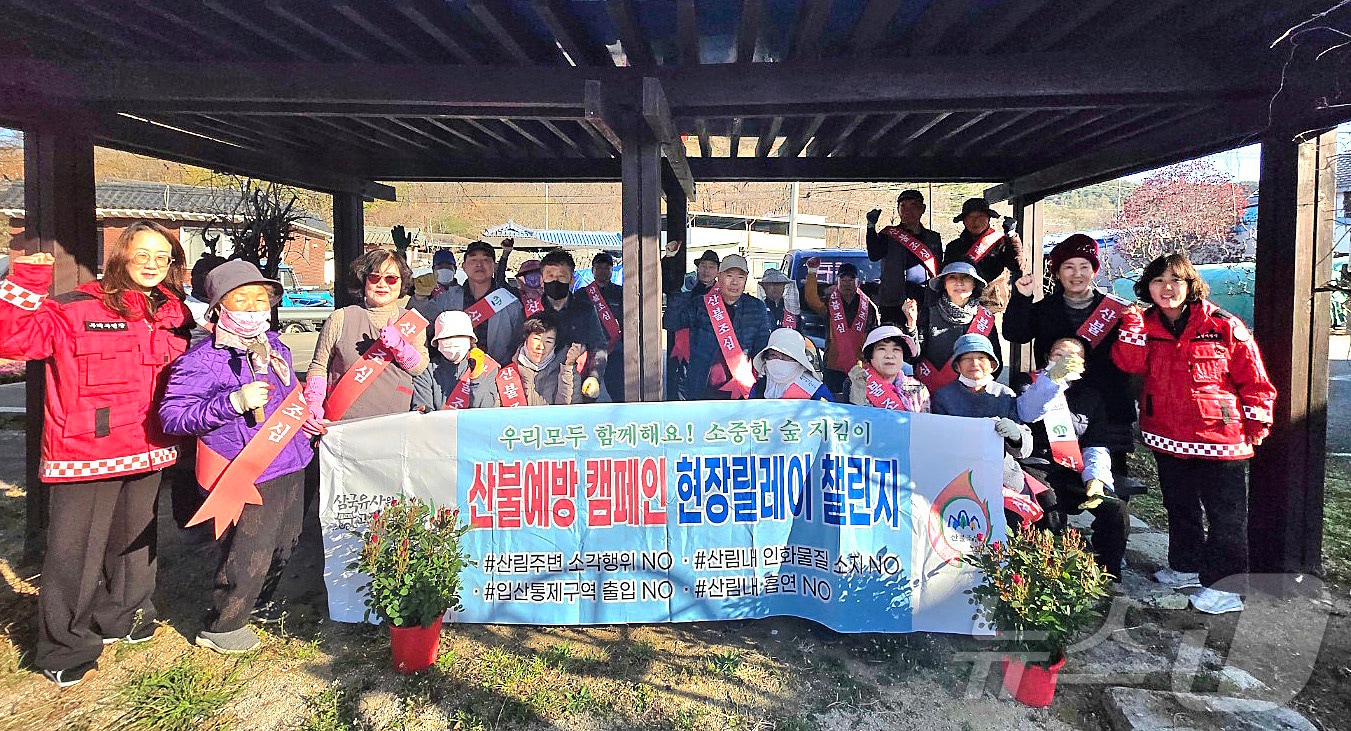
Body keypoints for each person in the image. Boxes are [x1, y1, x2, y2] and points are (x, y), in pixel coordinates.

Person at [0, 222, 192, 687]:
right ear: (121, 254)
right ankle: (65, 645)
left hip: (151, 447)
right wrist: (25, 278)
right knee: (76, 551)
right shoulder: (75, 306)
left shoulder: (173, 312)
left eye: (162, 256)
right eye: (142, 253)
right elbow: (12, 339)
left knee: (136, 543)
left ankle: (125, 614)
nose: (152, 263)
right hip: (87, 449)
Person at [158, 261, 313, 654]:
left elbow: (288, 394)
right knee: (248, 548)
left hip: (290, 459)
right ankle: (223, 625)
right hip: (244, 466)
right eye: (240, 299)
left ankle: (260, 601)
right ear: (218, 307)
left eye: (260, 299)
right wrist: (231, 403)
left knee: (285, 540)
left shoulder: (274, 347)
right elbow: (173, 416)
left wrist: (307, 422)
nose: (252, 307)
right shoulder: (200, 360)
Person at [1114, 253, 1276, 615]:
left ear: (1190, 285)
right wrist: (1131, 326)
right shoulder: (1146, 324)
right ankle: (1185, 565)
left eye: (1175, 280)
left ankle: (1227, 587)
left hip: (1221, 438)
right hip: (1167, 436)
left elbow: (1254, 380)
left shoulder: (1223, 325)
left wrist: (1258, 424)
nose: (1166, 288)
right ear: (1147, 287)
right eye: (1158, 281)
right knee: (1179, 505)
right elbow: (1129, 364)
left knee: (1225, 515)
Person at [1005, 233, 1142, 496]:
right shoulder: (1046, 309)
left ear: (1094, 270)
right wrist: (1021, 297)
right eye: (1068, 267)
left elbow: (1132, 359)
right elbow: (1016, 333)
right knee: (1055, 485)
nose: (1076, 274)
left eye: (1084, 267)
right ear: (1057, 272)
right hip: (1057, 405)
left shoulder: (1117, 311)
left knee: (1110, 489)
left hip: (1108, 410)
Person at [1014, 337, 1129, 579]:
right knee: (1049, 507)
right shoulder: (1030, 382)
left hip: (1072, 468)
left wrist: (1096, 479)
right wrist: (1053, 378)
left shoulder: (1091, 395)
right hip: (1036, 465)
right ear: (1048, 358)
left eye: (1072, 356)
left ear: (1083, 364)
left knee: (1114, 509)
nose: (1065, 360)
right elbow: (1028, 411)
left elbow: (1096, 443)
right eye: (1059, 355)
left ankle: (1105, 574)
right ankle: (1047, 573)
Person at [931, 334, 1074, 528]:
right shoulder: (942, 397)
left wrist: (1015, 435)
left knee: (1046, 512)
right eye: (967, 358)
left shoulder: (1005, 394)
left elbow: (1024, 448)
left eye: (981, 358)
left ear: (992, 364)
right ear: (957, 366)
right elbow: (938, 442)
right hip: (959, 475)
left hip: (1003, 474)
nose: (975, 363)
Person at [305, 249, 430, 433]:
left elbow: (419, 367)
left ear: (402, 282)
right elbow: (319, 366)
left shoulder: (411, 321)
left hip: (395, 426)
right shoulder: (340, 318)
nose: (382, 284)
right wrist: (313, 403)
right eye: (374, 277)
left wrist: (400, 347)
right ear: (364, 280)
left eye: (391, 278)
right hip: (343, 425)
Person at [668, 254, 771, 400]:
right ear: (719, 277)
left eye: (740, 277)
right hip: (702, 387)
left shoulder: (756, 307)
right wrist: (681, 292)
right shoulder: (700, 304)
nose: (734, 282)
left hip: (741, 388)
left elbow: (762, 347)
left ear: (746, 279)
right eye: (729, 276)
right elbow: (671, 323)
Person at [427, 240, 523, 366]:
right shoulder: (446, 300)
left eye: (485, 260)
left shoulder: (510, 303)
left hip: (496, 375)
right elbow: (425, 330)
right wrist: (419, 297)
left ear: (494, 266)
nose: (479, 264)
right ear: (464, 266)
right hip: (453, 376)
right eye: (473, 260)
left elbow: (519, 343)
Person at [907, 261, 999, 393]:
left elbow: (995, 361)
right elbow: (916, 355)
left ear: (974, 284)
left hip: (973, 392)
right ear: (943, 284)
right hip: (932, 391)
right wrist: (911, 326)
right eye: (952, 278)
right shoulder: (928, 312)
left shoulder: (984, 318)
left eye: (965, 278)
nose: (959, 283)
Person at [537, 248, 607, 401]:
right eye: (550, 276)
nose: (555, 281)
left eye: (562, 277)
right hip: (538, 387)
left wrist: (594, 377)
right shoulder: (530, 309)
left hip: (577, 386)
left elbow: (598, 346)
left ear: (571, 280)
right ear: (542, 279)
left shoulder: (585, 310)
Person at [804, 260, 880, 396]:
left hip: (860, 366)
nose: (847, 283)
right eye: (843, 279)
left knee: (859, 402)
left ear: (858, 282)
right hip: (833, 365)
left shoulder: (869, 306)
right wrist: (812, 272)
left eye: (851, 279)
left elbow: (876, 336)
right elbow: (812, 300)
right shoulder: (829, 303)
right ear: (837, 282)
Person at [867, 189, 944, 321]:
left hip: (925, 301)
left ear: (923, 209)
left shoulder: (933, 238)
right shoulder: (889, 235)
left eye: (913, 206)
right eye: (903, 206)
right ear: (898, 210)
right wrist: (871, 227)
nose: (908, 211)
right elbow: (874, 255)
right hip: (893, 301)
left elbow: (939, 267)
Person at [412, 310, 501, 410]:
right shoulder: (426, 371)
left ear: (471, 340)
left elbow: (485, 409)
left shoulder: (486, 366)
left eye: (459, 336)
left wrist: (477, 378)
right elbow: (421, 410)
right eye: (447, 338)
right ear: (437, 343)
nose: (453, 341)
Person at [944, 197, 1022, 309]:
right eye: (970, 217)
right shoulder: (953, 246)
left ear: (988, 218)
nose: (975, 221)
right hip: (960, 303)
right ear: (964, 221)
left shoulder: (1000, 242)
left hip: (992, 303)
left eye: (980, 216)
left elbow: (1017, 265)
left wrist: (1011, 236)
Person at [664, 249, 721, 399]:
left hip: (710, 354)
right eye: (703, 266)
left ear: (718, 272)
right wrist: (683, 291)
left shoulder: (722, 294)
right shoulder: (687, 287)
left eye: (711, 267)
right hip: (682, 352)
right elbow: (669, 321)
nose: (706, 270)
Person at [498, 311, 585, 406]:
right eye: (536, 339)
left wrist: (567, 369)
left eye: (548, 341)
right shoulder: (508, 374)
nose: (541, 346)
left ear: (555, 345)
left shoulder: (567, 371)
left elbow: (570, 411)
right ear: (526, 338)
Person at [846, 325, 928, 412]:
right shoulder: (856, 382)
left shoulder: (919, 389)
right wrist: (858, 391)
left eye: (896, 349)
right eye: (882, 349)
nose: (889, 355)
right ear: (870, 355)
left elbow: (926, 423)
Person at [584, 251, 624, 402]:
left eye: (606, 267)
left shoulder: (621, 293)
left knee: (618, 390)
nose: (602, 270)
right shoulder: (583, 293)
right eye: (599, 267)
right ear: (592, 270)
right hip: (591, 350)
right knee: (588, 389)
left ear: (612, 271)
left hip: (615, 348)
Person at [750, 328, 832, 400]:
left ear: (797, 360)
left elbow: (829, 413)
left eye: (786, 355)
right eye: (773, 355)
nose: (779, 360)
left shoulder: (814, 388)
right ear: (766, 358)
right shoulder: (759, 387)